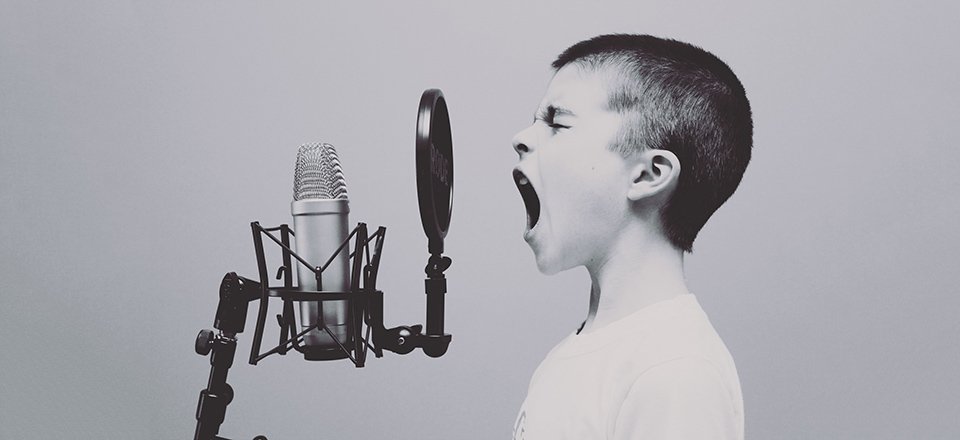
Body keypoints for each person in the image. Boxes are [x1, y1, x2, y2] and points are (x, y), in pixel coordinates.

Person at [510, 34, 752, 440]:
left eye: (557, 122)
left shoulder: (674, 373)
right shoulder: (578, 354)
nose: (521, 138)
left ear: (648, 174)